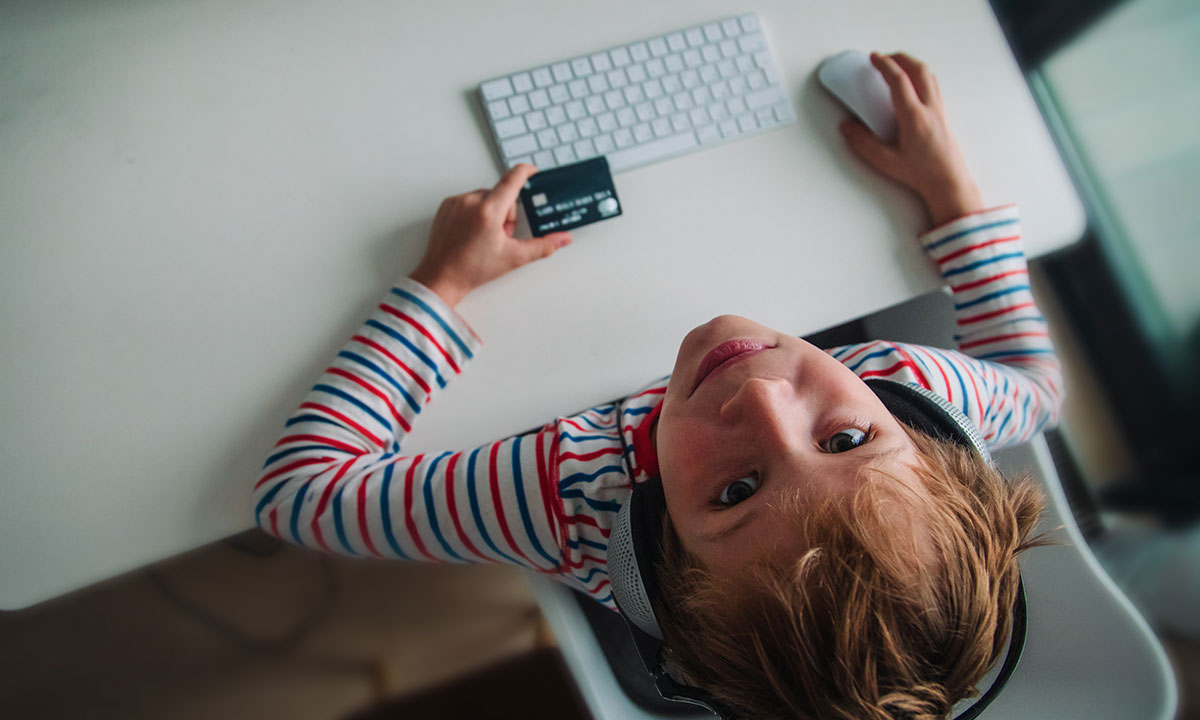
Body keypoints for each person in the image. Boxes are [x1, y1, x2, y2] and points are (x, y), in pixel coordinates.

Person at [252, 52, 1061, 719]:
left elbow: (299, 494)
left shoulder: (566, 496)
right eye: (845, 440)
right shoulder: (913, 388)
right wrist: (952, 194)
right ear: (928, 437)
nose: (761, 400)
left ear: (651, 544)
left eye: (737, 490)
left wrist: (441, 283)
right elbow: (1037, 384)